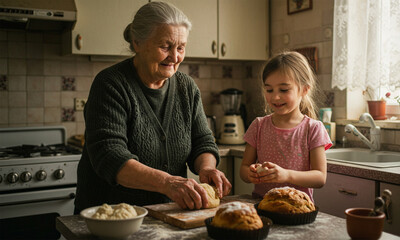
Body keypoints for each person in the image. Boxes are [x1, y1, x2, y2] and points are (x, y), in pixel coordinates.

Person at [75, 1, 231, 213]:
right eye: (165, 46)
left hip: (168, 213)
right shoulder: (111, 84)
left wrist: (207, 168)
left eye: (181, 48)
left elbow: (202, 141)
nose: (175, 57)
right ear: (137, 42)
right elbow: (110, 155)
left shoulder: (187, 87)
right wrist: (168, 183)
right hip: (110, 217)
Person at [240, 51, 332, 201]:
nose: (275, 97)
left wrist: (286, 175)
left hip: (297, 209)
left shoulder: (313, 129)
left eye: (283, 90)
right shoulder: (258, 126)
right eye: (269, 90)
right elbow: (244, 169)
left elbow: (320, 178)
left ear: (304, 89)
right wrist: (250, 174)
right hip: (262, 205)